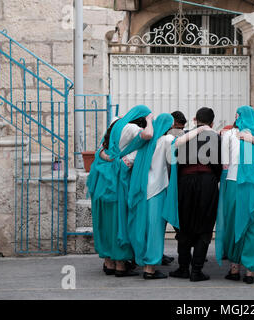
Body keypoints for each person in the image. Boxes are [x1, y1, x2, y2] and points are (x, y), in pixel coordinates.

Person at [127, 113, 214, 280]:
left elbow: (128, 160)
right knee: (155, 230)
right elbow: (180, 142)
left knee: (143, 229)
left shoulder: (144, 142)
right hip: (158, 190)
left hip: (142, 190)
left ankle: (144, 262)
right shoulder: (165, 140)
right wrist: (200, 129)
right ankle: (150, 268)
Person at [87, 105, 154, 277]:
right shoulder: (132, 128)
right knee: (118, 220)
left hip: (101, 179)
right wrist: (150, 120)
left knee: (104, 221)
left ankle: (108, 262)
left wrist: (110, 157)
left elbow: (101, 150)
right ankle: (120, 265)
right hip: (116, 182)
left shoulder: (115, 124)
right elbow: (148, 135)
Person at [215, 106, 254, 285]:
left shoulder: (230, 135)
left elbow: (224, 164)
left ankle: (234, 269)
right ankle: (251, 271)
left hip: (235, 183)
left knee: (234, 224)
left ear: (238, 117)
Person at [169, 107, 222, 282]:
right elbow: (218, 165)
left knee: (184, 224)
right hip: (207, 182)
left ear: (195, 120)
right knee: (205, 224)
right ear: (212, 122)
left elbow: (175, 160)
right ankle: (196, 270)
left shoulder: (184, 136)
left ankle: (183, 267)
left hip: (185, 182)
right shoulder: (215, 137)